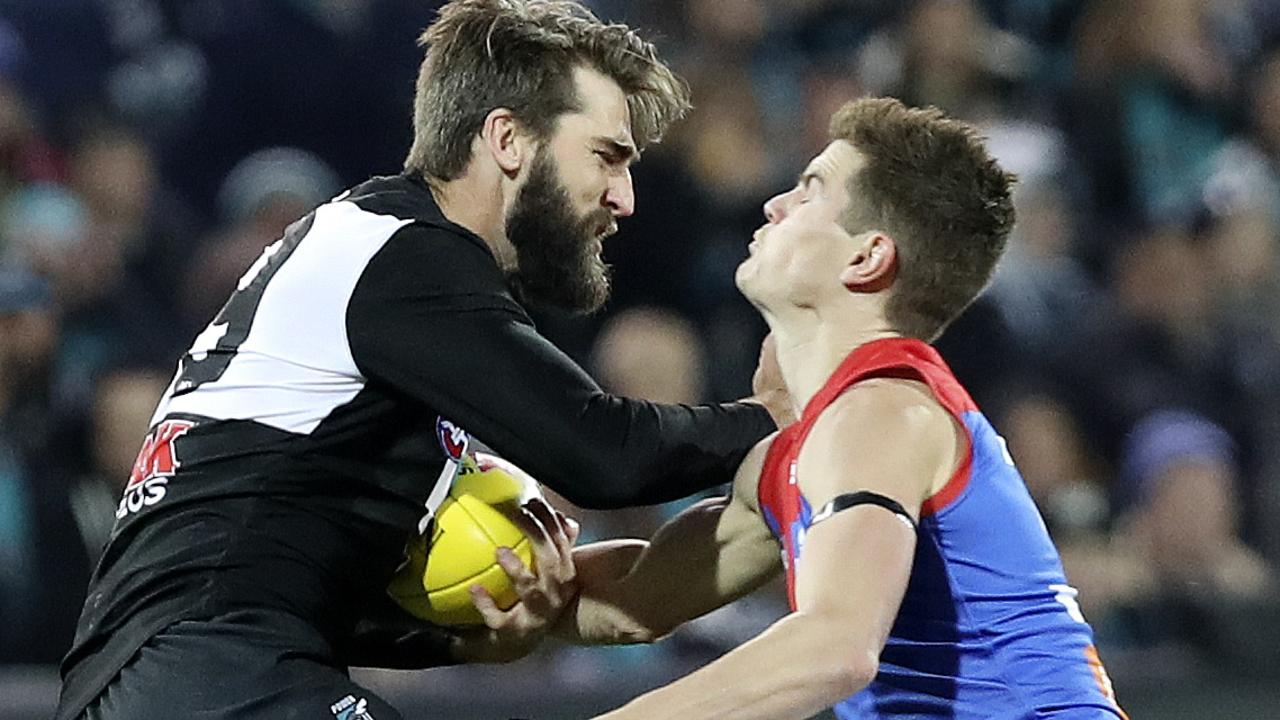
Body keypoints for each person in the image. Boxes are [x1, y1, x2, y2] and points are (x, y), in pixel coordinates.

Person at [55, 2, 783, 719]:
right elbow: (605, 454)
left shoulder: (371, 264)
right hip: (206, 671)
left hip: (172, 677)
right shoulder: (404, 256)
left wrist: (462, 642)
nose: (624, 197)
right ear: (508, 139)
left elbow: (272, 563)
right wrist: (781, 413)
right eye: (606, 155)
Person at [560, 98, 1129, 719]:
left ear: (867, 257)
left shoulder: (882, 415)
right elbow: (634, 602)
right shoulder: (804, 447)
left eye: (810, 191)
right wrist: (484, 592)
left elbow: (832, 649)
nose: (775, 206)